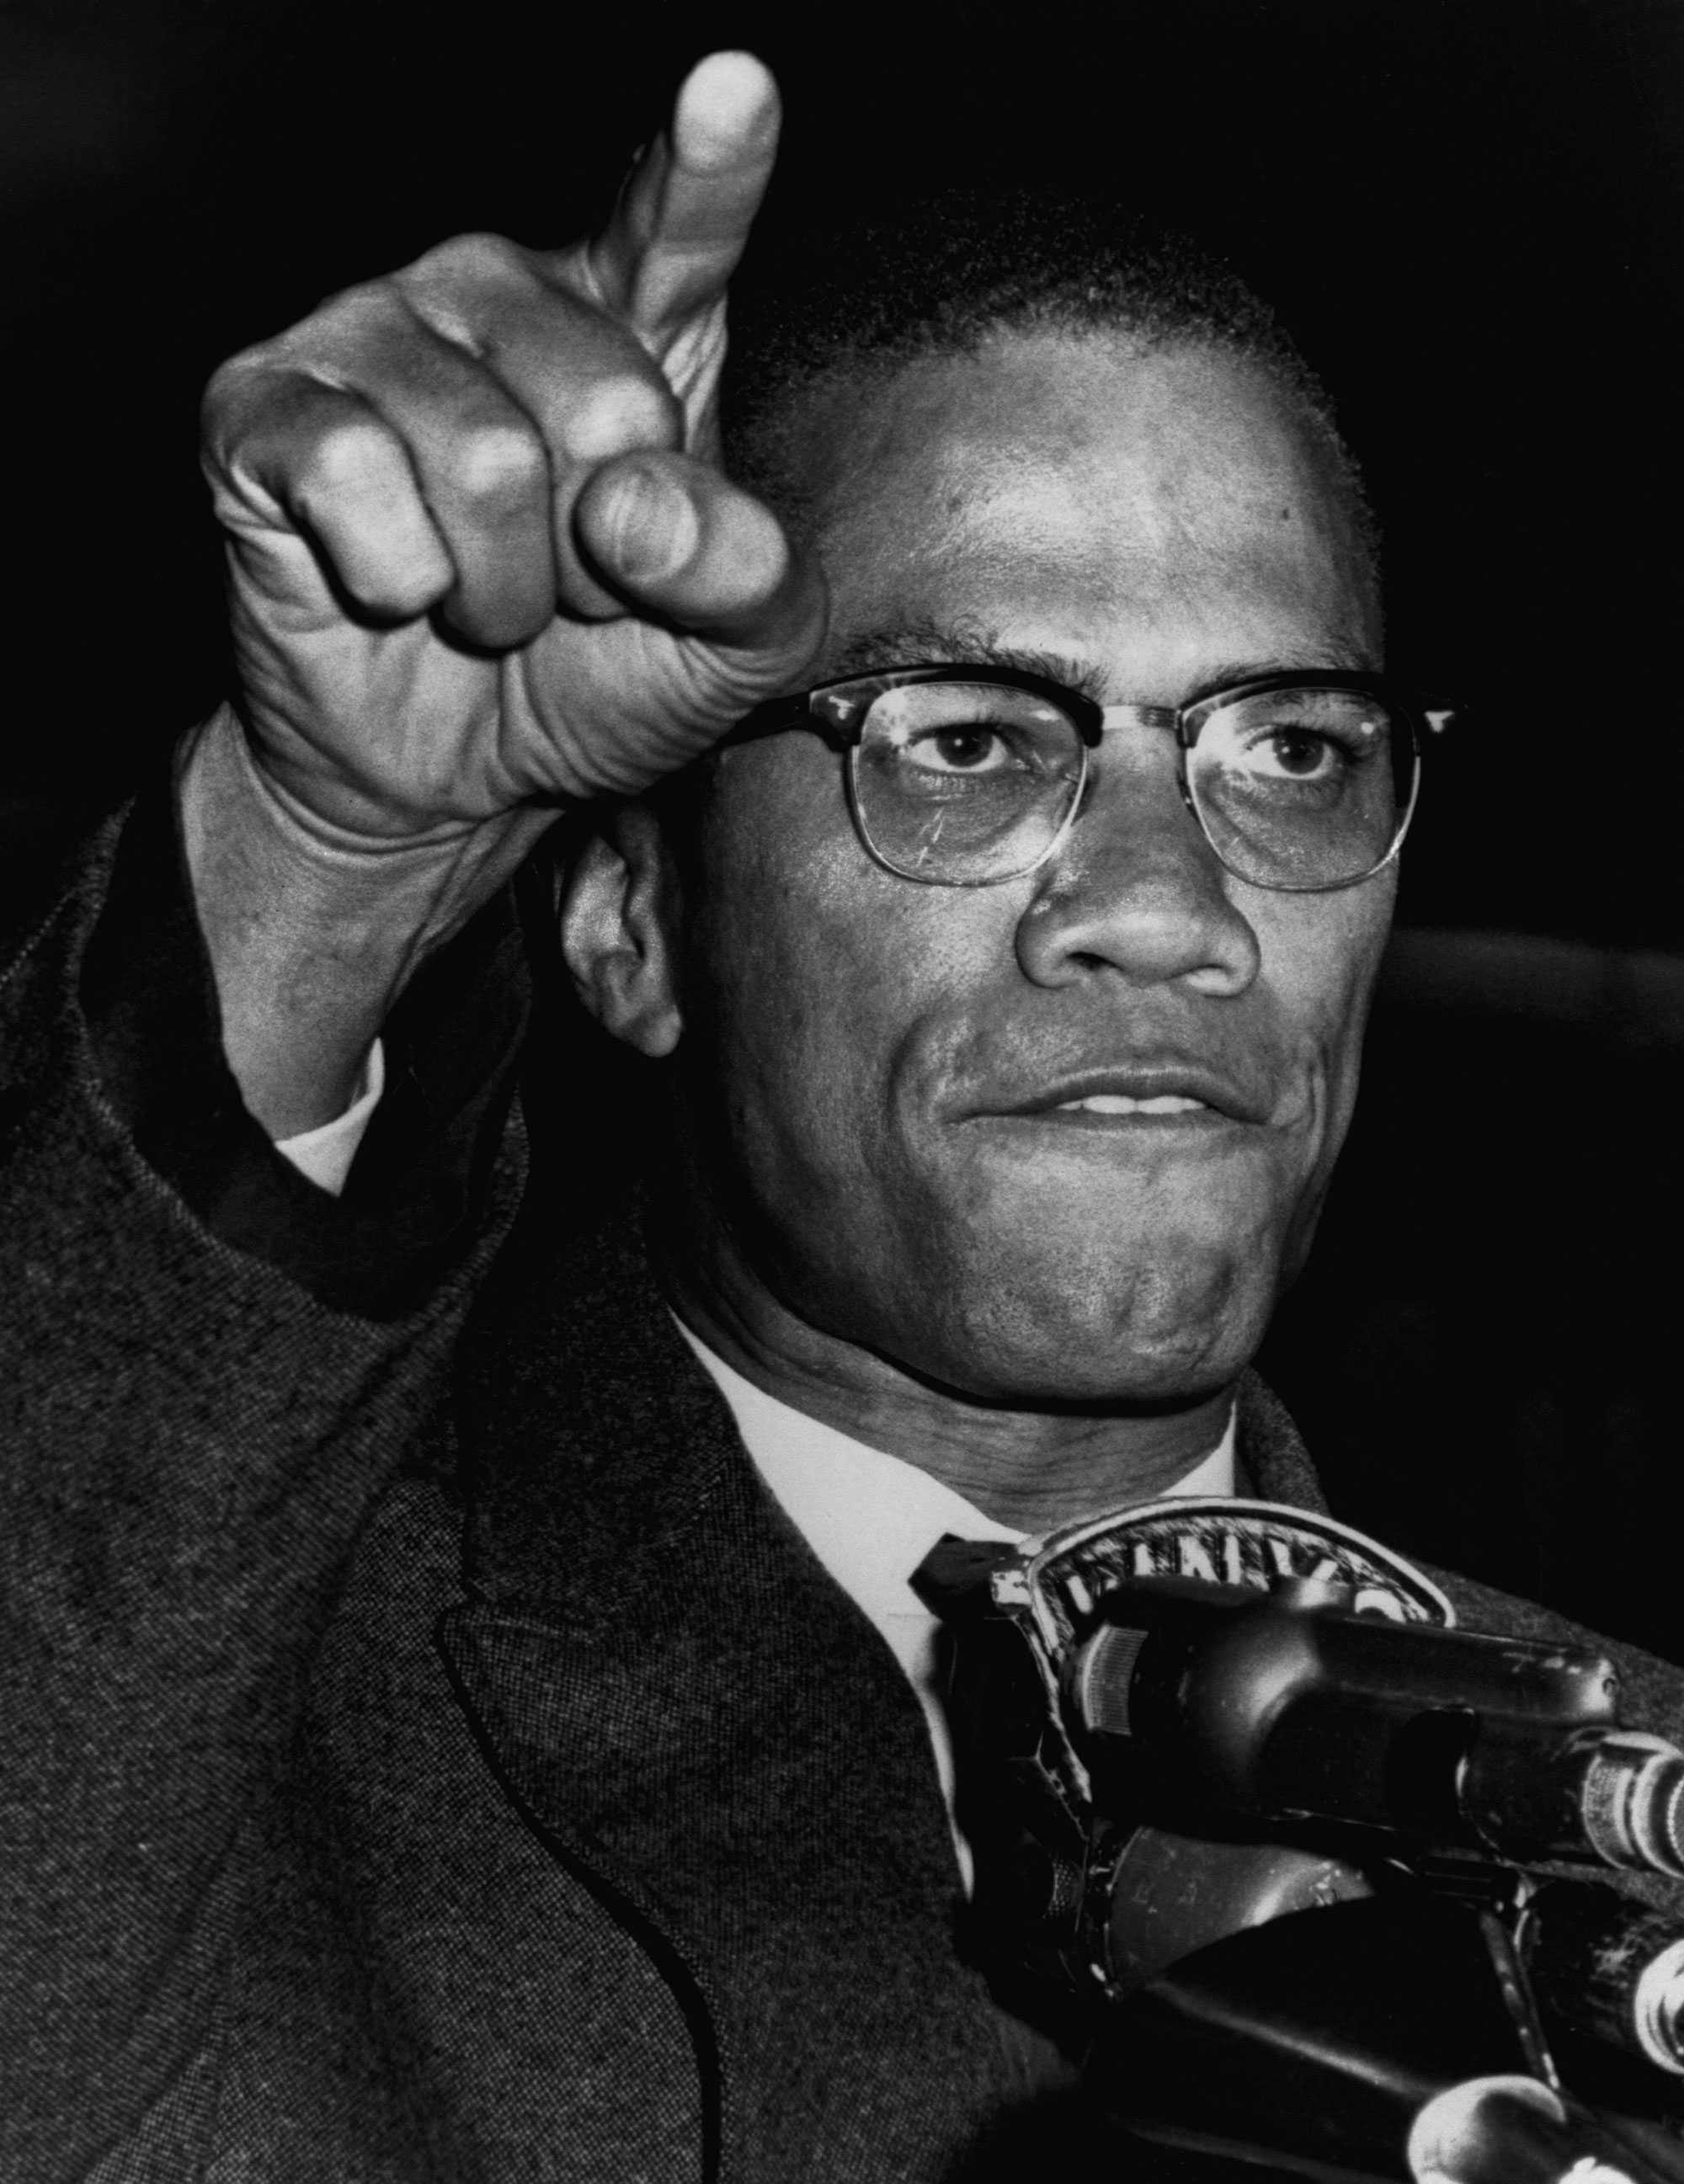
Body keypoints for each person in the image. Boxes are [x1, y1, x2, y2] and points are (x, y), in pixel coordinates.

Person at [3, 47, 1682, 2184]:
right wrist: (320, 859)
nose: (1167, 915)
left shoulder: (1633, 1814)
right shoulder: (213, 1750)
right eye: (969, 739)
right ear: (632, 926)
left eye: (1290, 750)